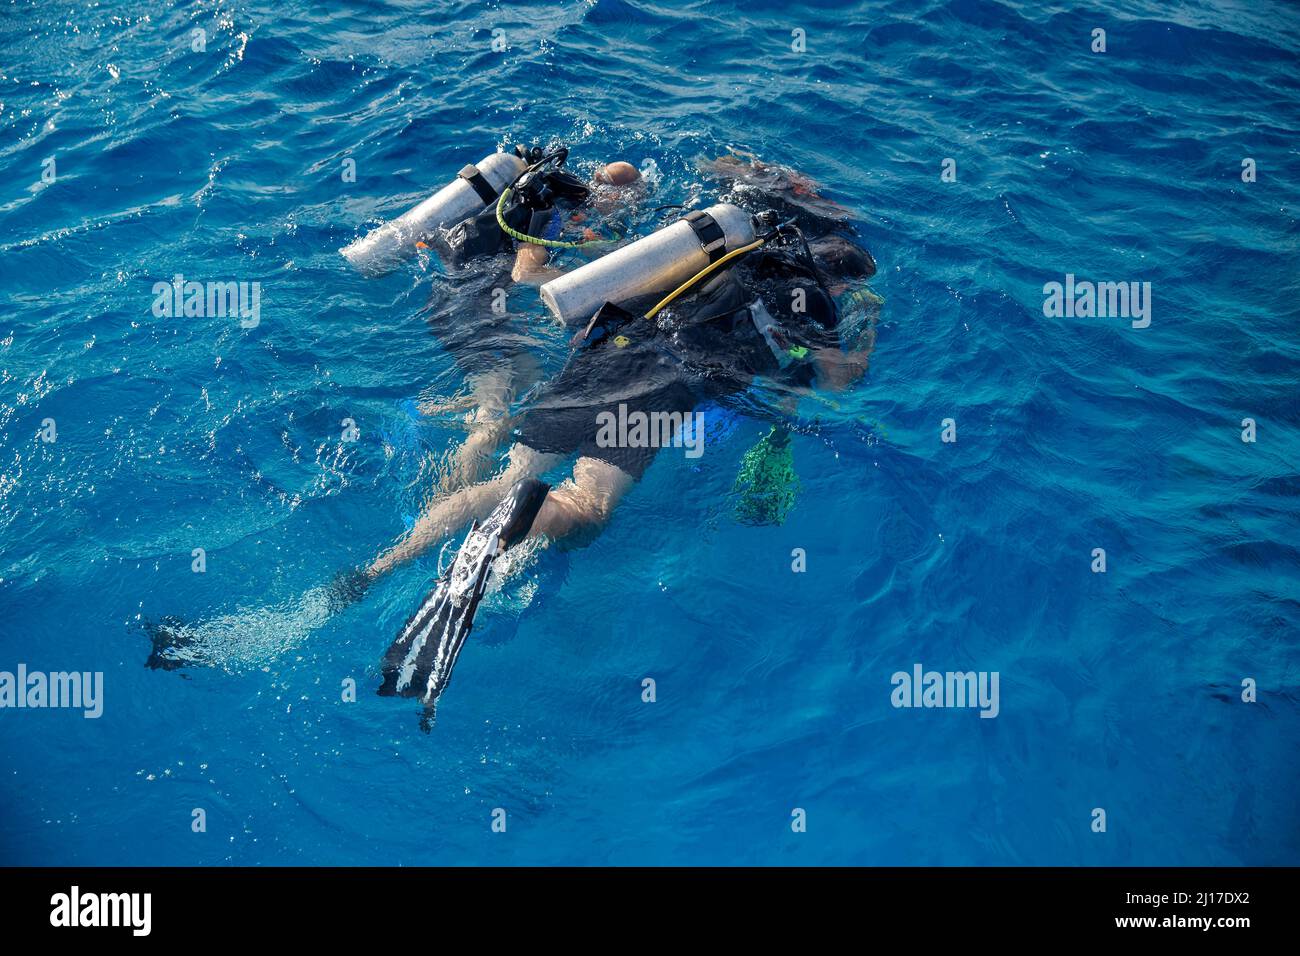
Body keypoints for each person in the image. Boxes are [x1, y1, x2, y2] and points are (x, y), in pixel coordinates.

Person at [372, 189, 879, 711]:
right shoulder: (813, 297)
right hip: (658, 388)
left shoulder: (718, 254)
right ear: (838, 281)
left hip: (605, 352)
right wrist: (864, 334)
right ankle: (522, 522)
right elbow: (838, 384)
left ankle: (383, 564)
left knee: (504, 481)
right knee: (586, 508)